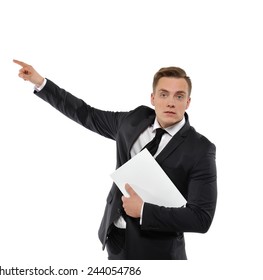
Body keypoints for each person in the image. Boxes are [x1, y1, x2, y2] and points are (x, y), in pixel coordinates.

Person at [13, 59, 217, 260]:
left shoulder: (200, 149)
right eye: (164, 94)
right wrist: (40, 82)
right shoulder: (132, 121)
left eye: (179, 96)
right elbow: (87, 114)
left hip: (158, 251)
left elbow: (201, 218)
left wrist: (145, 211)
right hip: (116, 240)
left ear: (188, 102)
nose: (171, 102)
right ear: (153, 98)